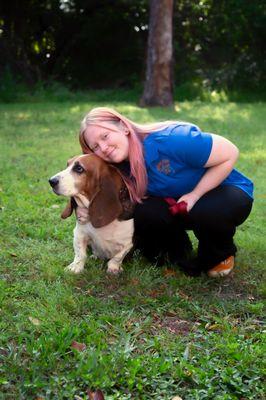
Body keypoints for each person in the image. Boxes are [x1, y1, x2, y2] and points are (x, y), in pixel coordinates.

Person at [76, 107, 253, 277]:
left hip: (223, 191)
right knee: (144, 211)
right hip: (176, 202)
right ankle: (177, 253)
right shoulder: (116, 166)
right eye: (96, 147)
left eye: (105, 136)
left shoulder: (171, 139)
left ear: (123, 126)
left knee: (207, 211)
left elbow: (230, 152)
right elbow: (105, 193)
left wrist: (195, 194)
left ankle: (219, 254)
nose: (104, 148)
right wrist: (88, 209)